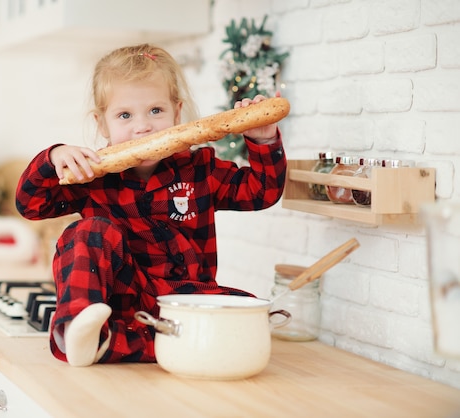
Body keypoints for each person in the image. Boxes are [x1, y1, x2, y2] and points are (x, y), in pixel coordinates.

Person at [16, 44, 287, 367]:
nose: (142, 126)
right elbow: (30, 205)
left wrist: (262, 141)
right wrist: (52, 158)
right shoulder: (90, 175)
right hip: (119, 302)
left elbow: (261, 192)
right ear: (102, 124)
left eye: (156, 111)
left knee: (246, 309)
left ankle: (112, 344)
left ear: (177, 112)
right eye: (125, 115)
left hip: (180, 301)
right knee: (87, 232)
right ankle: (78, 329)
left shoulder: (200, 167)